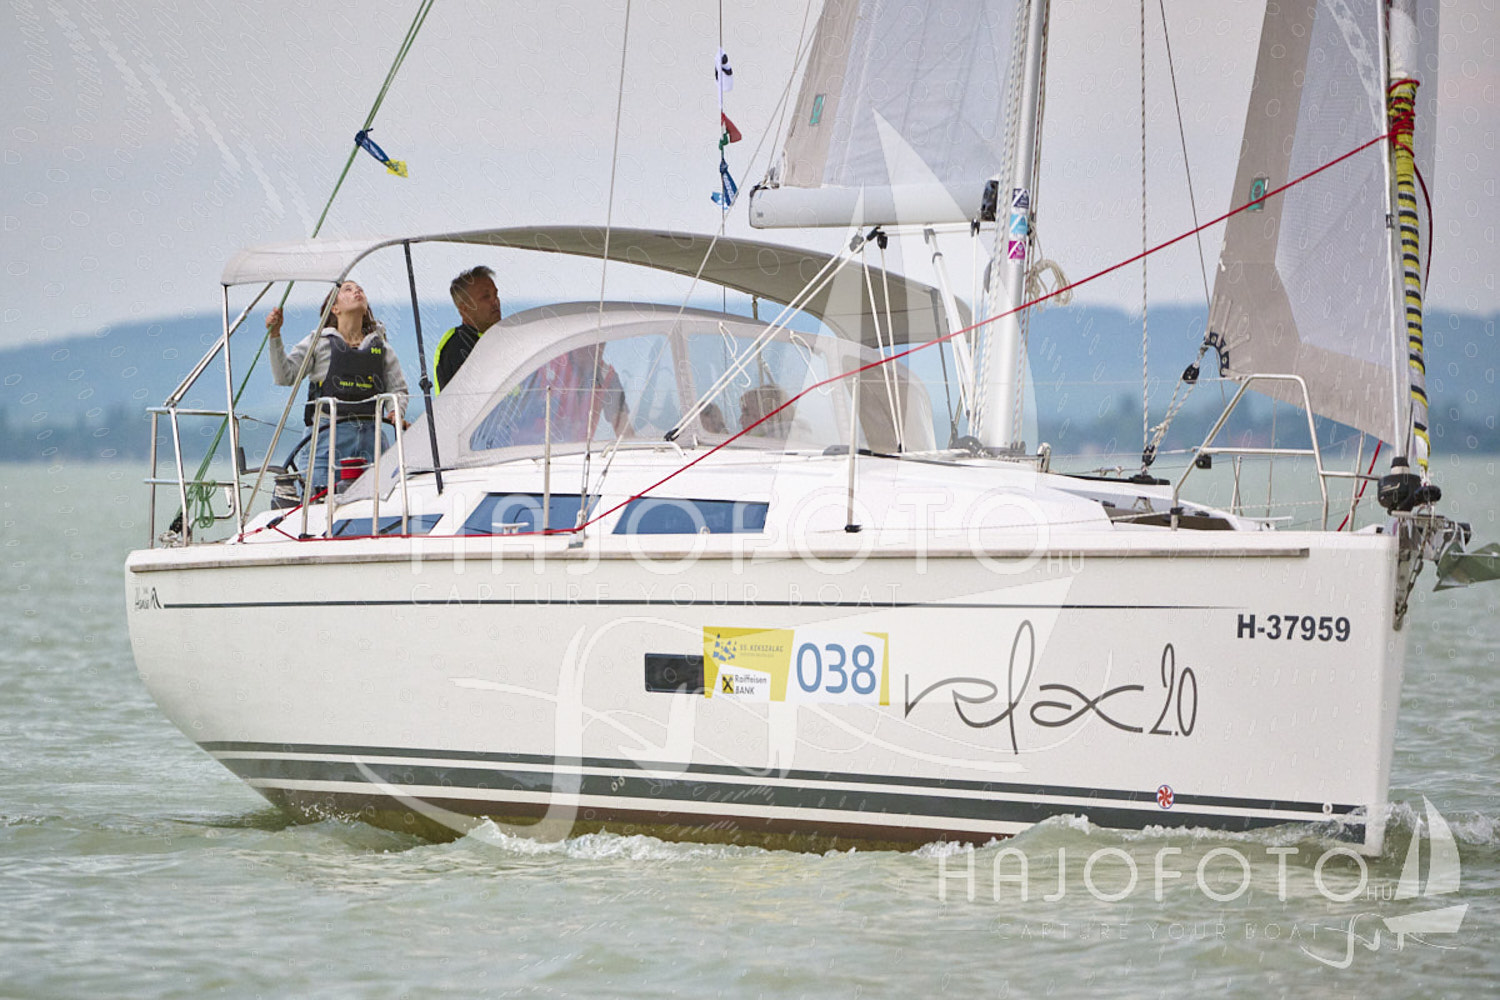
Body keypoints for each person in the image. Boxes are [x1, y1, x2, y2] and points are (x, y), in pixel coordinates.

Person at [265, 281, 410, 486]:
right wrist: (275, 335)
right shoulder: (318, 342)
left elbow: (397, 389)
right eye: (347, 290)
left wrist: (396, 411)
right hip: (327, 439)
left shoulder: (382, 347)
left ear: (365, 308)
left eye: (360, 289)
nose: (357, 291)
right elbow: (285, 376)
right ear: (334, 308)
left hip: (372, 438)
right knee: (317, 498)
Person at [435, 265, 504, 392]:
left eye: (496, 294)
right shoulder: (458, 346)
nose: (495, 301)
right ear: (464, 308)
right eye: (486, 297)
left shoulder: (495, 338)